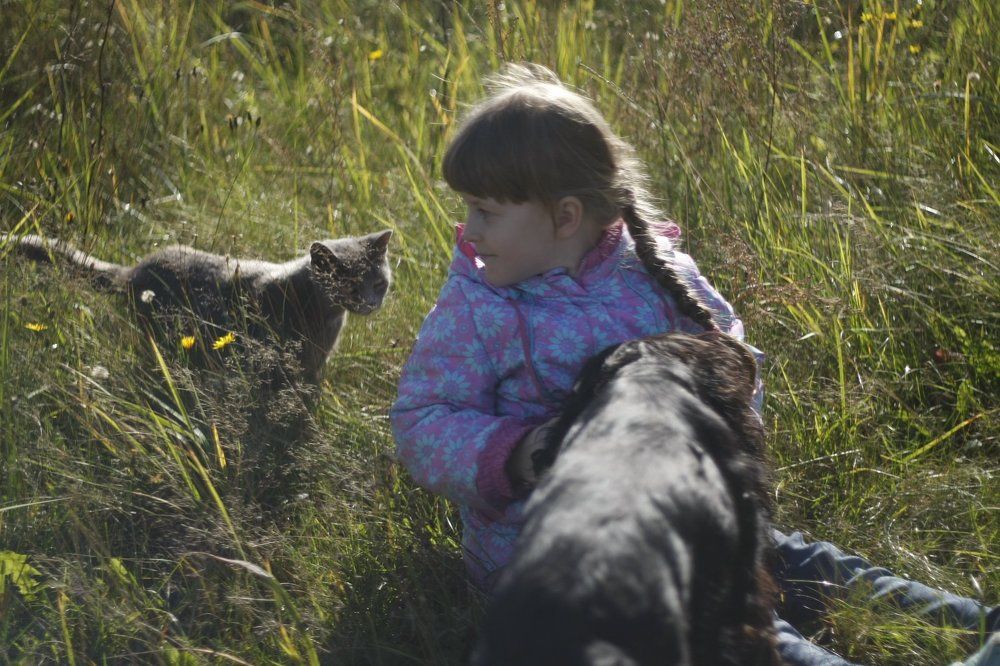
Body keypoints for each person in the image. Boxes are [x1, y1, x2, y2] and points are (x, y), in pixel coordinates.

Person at [390, 63, 997, 665]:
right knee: (747, 635)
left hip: (688, 512)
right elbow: (423, 417)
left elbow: (729, 363)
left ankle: (980, 629)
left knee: (810, 565)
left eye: (485, 212)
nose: (469, 230)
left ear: (566, 217)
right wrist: (518, 453)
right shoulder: (478, 303)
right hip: (559, 558)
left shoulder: (652, 272)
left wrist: (706, 459)